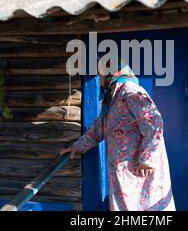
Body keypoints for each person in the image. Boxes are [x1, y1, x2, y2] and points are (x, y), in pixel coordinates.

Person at [60, 60, 175, 211]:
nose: (100, 80)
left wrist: (147, 158)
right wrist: (77, 147)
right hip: (123, 172)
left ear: (113, 73)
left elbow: (154, 122)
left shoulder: (131, 92)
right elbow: (100, 128)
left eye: (102, 75)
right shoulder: (113, 97)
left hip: (140, 169)